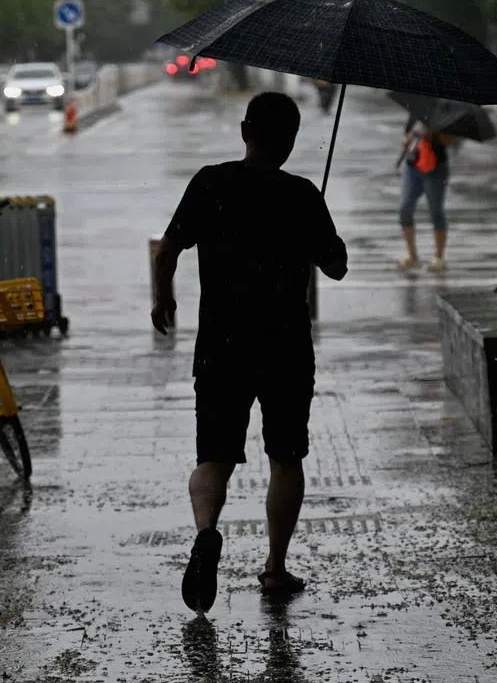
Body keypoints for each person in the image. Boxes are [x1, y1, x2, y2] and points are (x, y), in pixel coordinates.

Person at [151, 92, 349, 613]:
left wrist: (162, 299)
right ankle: (274, 568)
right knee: (285, 456)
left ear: (245, 131)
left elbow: (167, 249)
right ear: (291, 141)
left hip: (222, 342)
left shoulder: (210, 182)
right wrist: (318, 234)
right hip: (285, 345)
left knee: (213, 456)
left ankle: (206, 533)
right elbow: (337, 267)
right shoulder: (302, 194)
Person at [397, 118, 454, 272]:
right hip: (413, 166)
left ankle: (439, 256)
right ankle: (412, 255)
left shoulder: (447, 115)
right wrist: (408, 138)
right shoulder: (417, 112)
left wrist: (431, 135)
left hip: (436, 168)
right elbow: (406, 137)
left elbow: (448, 140)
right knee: (405, 208)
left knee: (436, 211)